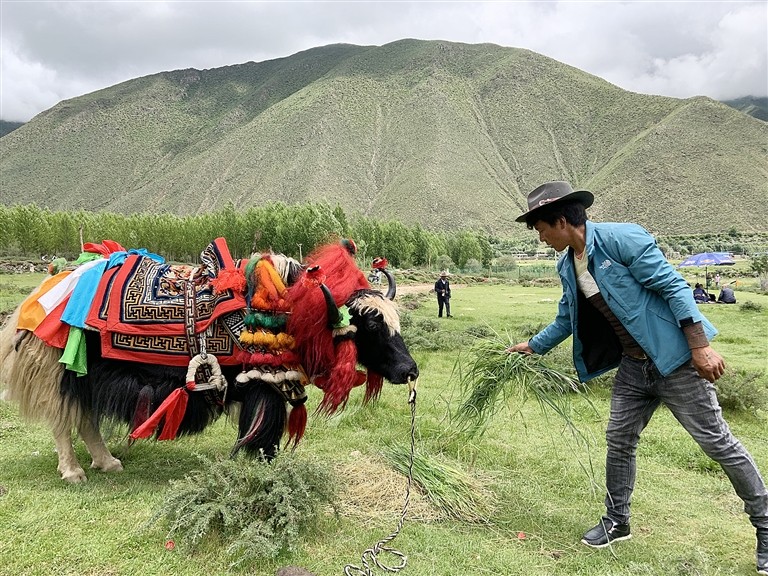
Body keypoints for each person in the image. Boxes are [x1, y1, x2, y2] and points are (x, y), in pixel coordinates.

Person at [506, 181, 767, 574]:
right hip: (633, 365)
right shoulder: (567, 265)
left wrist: (699, 347)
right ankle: (617, 521)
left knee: (718, 444)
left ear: (560, 222)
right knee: (619, 439)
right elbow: (566, 318)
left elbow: (674, 287)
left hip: (676, 360)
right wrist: (534, 346)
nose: (541, 238)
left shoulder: (622, 239)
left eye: (541, 229)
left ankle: (765, 525)